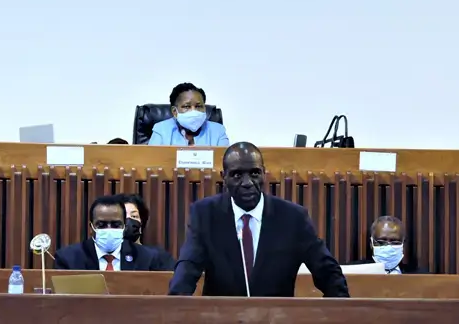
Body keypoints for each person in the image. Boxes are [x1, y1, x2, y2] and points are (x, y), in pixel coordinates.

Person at [168, 142, 349, 297]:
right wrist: (174, 310)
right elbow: (187, 269)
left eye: (254, 173)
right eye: (237, 175)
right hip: (222, 317)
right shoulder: (205, 214)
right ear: (224, 178)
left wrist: (340, 312)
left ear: (264, 173)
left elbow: (328, 272)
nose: (247, 183)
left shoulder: (293, 218)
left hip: (276, 318)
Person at [54, 195, 169, 271]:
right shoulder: (68, 259)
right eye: (101, 225)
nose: (109, 229)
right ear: (91, 228)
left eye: (116, 225)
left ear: (124, 226)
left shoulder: (146, 258)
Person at [148, 83, 229, 147]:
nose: (194, 111)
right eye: (187, 106)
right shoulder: (161, 130)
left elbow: (224, 161)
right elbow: (151, 160)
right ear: (174, 111)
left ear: (204, 108)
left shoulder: (218, 131)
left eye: (198, 106)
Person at [116, 193, 175, 270]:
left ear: (142, 223)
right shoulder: (109, 258)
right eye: (123, 216)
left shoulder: (158, 257)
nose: (128, 221)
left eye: (134, 216)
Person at [351, 216, 426, 274]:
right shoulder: (352, 272)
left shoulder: (421, 277)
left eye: (395, 242)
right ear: (371, 244)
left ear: (403, 245)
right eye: (381, 242)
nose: (388, 247)